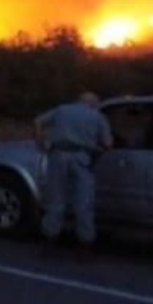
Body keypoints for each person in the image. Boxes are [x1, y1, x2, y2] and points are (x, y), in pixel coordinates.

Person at [34, 91, 113, 255]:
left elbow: (38, 122)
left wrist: (41, 143)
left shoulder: (61, 110)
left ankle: (49, 240)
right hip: (82, 158)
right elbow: (107, 143)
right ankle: (85, 244)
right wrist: (96, 153)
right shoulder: (97, 116)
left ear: (78, 101)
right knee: (83, 202)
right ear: (93, 103)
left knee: (55, 200)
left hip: (58, 156)